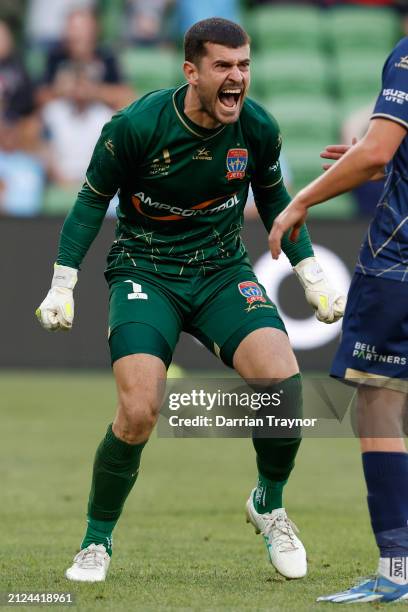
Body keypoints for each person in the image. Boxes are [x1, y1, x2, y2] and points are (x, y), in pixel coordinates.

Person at [35, 17, 345, 583]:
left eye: (244, 65)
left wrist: (311, 275)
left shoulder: (256, 128)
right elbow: (89, 201)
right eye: (223, 67)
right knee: (138, 411)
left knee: (285, 382)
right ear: (191, 71)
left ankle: (268, 505)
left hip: (221, 271)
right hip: (145, 272)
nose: (237, 78)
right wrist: (63, 281)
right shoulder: (136, 125)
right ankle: (94, 543)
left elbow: (279, 202)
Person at [270, 36, 408, 604]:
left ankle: (397, 567)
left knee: (379, 405)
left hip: (399, 265)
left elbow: (377, 151)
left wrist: (301, 199)